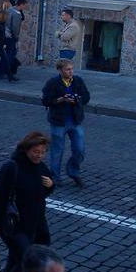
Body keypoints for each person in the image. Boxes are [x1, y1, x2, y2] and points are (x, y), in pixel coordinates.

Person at [0, 132, 54, 272]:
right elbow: (0, 197)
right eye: (36, 152)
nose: (39, 156)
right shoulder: (12, 167)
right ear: (26, 150)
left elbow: (42, 192)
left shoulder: (40, 167)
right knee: (27, 258)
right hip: (15, 224)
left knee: (18, 257)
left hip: (35, 222)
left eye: (43, 152)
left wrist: (51, 185)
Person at [41, 59, 91, 189]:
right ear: (60, 70)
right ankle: (55, 177)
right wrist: (60, 100)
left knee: (79, 149)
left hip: (75, 121)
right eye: (68, 69)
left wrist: (77, 100)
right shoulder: (53, 83)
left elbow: (86, 96)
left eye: (72, 69)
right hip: (58, 122)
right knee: (57, 151)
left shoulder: (77, 81)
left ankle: (73, 172)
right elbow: (46, 100)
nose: (71, 72)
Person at [0, 0, 28, 81]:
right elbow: (15, 27)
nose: (25, 7)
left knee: (8, 55)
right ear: (21, 4)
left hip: (6, 35)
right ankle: (3, 72)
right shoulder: (16, 13)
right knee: (9, 56)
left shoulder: (10, 10)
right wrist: (16, 37)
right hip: (10, 37)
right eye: (24, 5)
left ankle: (6, 72)